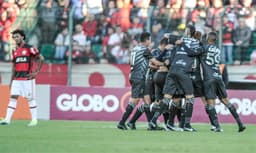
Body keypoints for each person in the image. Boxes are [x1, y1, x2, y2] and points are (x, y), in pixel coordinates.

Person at [117, 32, 164, 130]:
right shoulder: (145, 50)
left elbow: (131, 62)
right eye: (150, 39)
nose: (150, 41)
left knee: (147, 100)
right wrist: (165, 64)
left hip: (135, 76)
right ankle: (122, 122)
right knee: (134, 100)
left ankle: (151, 125)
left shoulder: (135, 49)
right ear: (146, 40)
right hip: (139, 78)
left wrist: (151, 66)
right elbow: (155, 61)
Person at [201, 31, 246, 132]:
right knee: (226, 101)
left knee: (211, 103)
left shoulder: (204, 48)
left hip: (209, 78)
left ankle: (217, 126)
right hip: (218, 77)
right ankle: (240, 123)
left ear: (208, 38)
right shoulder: (218, 49)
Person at [0, 29, 44, 126]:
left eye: (17, 36)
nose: (15, 39)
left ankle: (34, 120)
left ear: (22, 37)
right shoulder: (14, 50)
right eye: (14, 37)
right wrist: (11, 81)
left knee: (31, 99)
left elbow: (41, 58)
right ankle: (7, 120)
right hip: (17, 79)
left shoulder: (30, 48)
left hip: (27, 78)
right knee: (13, 98)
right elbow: (14, 67)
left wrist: (36, 72)